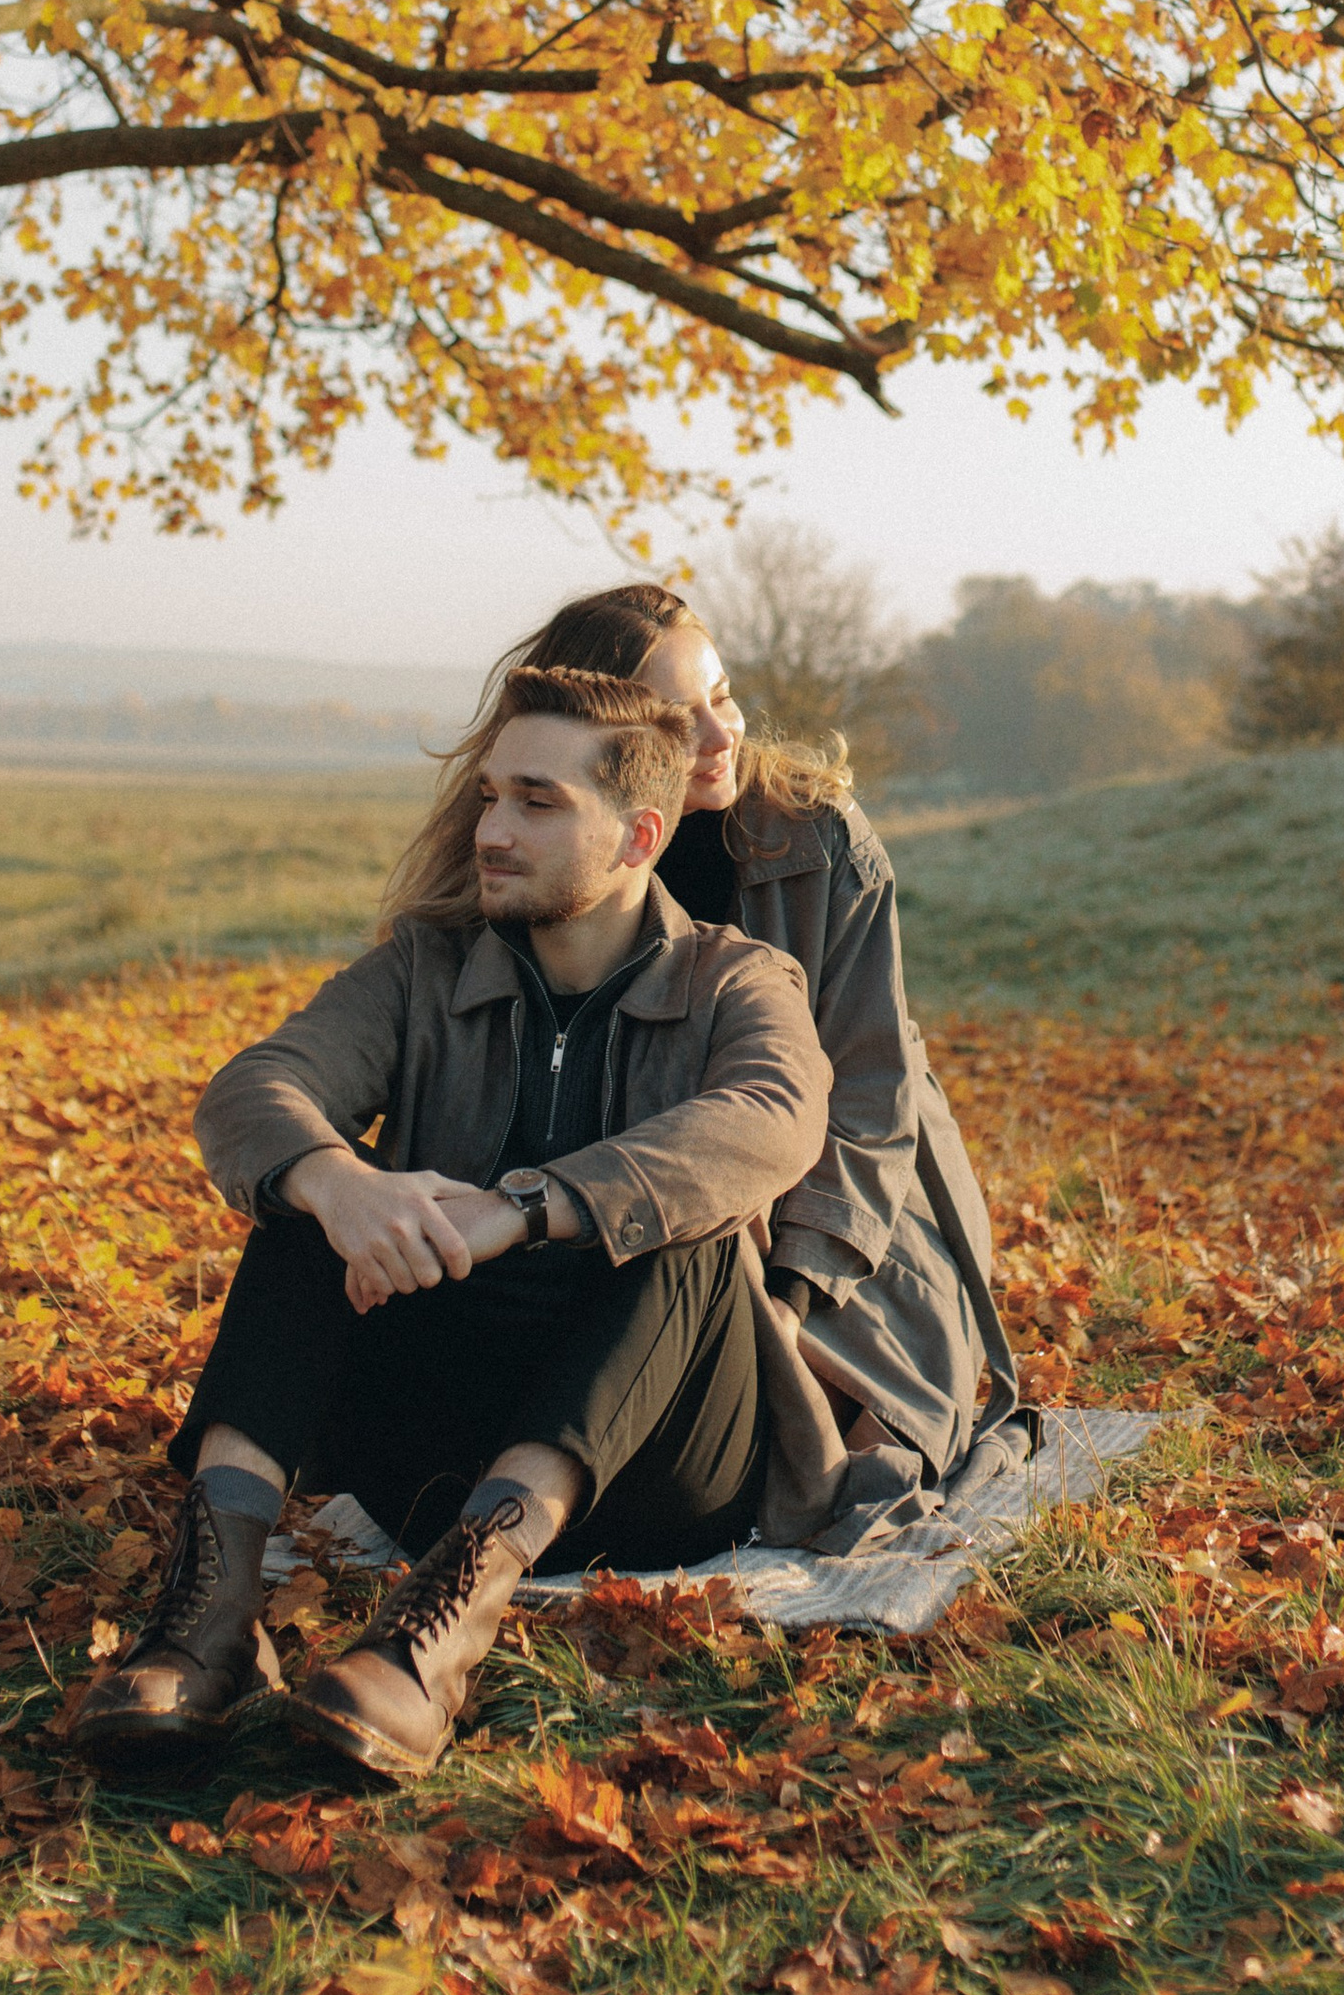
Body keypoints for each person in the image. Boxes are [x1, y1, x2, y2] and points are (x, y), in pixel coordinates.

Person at [70, 667, 839, 1781]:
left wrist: (522, 1210)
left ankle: (435, 1638)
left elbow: (772, 1118)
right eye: (489, 796)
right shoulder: (423, 968)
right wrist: (340, 1185)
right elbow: (255, 1088)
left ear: (639, 837)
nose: (491, 830)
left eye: (536, 802)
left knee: (688, 1226)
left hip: (656, 1465)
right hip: (431, 1448)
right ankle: (211, 1616)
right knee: (309, 1199)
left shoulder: (737, 980)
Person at [377, 581, 1025, 1534]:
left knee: (856, 1431)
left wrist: (796, 1290)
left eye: (723, 696)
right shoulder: (527, 850)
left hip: (844, 1190)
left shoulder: (815, 838)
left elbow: (870, 1090)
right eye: (682, 717)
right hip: (623, 1178)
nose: (722, 735)